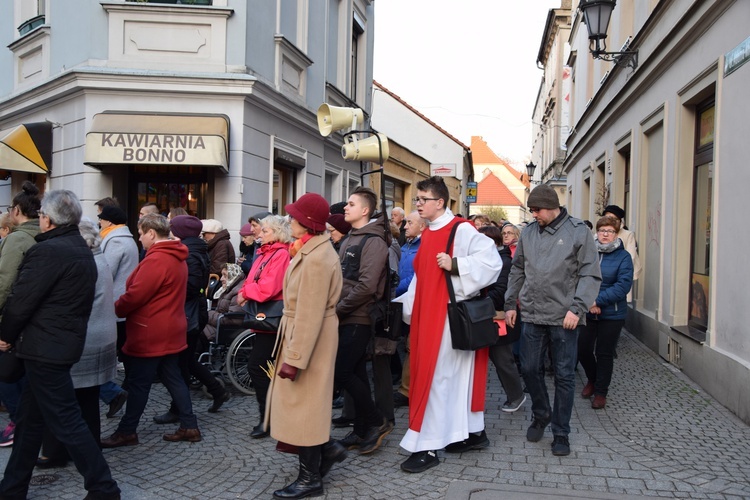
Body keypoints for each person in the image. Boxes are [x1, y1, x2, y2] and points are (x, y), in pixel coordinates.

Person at [0, 190, 120, 500]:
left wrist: (5, 335)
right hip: (58, 345)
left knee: (67, 420)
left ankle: (104, 488)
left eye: (41, 215)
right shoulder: (79, 248)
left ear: (48, 220)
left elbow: (21, 300)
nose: (39, 219)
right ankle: (12, 488)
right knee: (29, 423)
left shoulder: (50, 251)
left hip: (45, 348)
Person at [393, 176, 502, 473]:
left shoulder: (461, 229)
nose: (417, 204)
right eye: (416, 199)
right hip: (430, 317)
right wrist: (404, 307)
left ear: (439, 202)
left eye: (422, 199)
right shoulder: (428, 233)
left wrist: (457, 265)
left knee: (438, 380)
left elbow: (492, 263)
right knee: (447, 380)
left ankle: (426, 445)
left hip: (449, 319)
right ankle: (470, 433)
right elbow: (421, 277)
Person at [505, 184, 601, 457]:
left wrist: (577, 308)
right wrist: (511, 303)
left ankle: (561, 432)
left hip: (565, 318)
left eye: (536, 210)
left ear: (551, 207)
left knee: (564, 376)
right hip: (533, 314)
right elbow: (518, 269)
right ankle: (541, 413)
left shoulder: (578, 231)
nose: (533, 215)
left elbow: (590, 274)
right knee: (530, 368)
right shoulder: (530, 232)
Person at [265, 193, 346, 499]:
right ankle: (326, 449)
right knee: (304, 406)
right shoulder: (310, 250)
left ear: (307, 223)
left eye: (294, 217)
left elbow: (311, 314)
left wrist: (295, 358)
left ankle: (311, 478)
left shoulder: (318, 258)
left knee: (306, 408)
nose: (289, 220)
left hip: (309, 339)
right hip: (304, 335)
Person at [102, 213, 201, 448]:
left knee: (138, 382)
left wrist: (114, 308)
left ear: (151, 233)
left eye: (140, 234)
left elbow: (136, 294)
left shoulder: (158, 259)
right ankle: (189, 425)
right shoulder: (175, 255)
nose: (139, 239)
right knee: (173, 377)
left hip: (152, 330)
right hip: (170, 326)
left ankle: (127, 431)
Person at [37, 220, 119, 469]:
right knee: (87, 398)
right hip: (101, 334)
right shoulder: (98, 257)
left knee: (63, 398)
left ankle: (55, 451)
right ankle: (85, 448)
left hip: (85, 337)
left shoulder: (84, 262)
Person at [152, 215, 230, 426]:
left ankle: (180, 410)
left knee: (178, 364)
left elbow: (191, 286)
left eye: (172, 229)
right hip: (191, 313)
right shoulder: (193, 249)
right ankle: (216, 391)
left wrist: (167, 292)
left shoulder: (190, 253)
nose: (169, 233)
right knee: (184, 361)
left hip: (188, 314)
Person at [334, 187, 393, 455]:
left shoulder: (374, 241)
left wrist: (340, 308)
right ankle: (360, 429)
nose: (345, 208)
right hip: (345, 314)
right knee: (355, 373)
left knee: (341, 372)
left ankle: (375, 420)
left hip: (358, 316)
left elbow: (368, 286)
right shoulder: (351, 238)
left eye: (351, 204)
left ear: (365, 210)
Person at [236, 215, 292, 439]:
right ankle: (269, 417)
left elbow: (269, 288)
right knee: (264, 368)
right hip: (263, 319)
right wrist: (246, 290)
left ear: (277, 232)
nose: (259, 234)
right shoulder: (264, 252)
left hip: (272, 318)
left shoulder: (280, 254)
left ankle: (268, 418)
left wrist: (245, 293)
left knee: (257, 367)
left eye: (265, 230)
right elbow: (251, 280)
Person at [0, 181, 42, 448]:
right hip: (35, 319)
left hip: (14, 317)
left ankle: (19, 423)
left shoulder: (17, 239)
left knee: (6, 374)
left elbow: (5, 282)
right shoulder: (45, 233)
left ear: (16, 210)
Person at [578, 215, 633, 409]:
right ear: (597, 232)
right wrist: (589, 302)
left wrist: (598, 300)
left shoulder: (623, 257)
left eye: (610, 231)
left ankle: (601, 391)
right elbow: (579, 277)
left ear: (616, 234)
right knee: (582, 349)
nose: (605, 234)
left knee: (604, 353)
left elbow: (622, 286)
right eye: (602, 230)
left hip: (612, 314)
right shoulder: (588, 252)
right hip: (588, 310)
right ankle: (592, 379)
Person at [479, 225, 526, 413]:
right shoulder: (492, 259)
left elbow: (500, 293)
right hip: (488, 315)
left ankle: (516, 396)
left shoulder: (504, 262)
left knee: (503, 360)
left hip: (499, 317)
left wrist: (477, 303)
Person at [98, 204, 138, 418]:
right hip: (119, 304)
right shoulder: (123, 239)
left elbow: (105, 272)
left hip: (115, 305)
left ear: (110, 222)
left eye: (102, 219)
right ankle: (118, 391)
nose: (100, 223)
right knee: (123, 350)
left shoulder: (115, 241)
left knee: (120, 351)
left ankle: (119, 391)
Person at [392, 211, 427, 408]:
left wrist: (394, 288)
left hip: (410, 298)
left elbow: (414, 275)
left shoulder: (424, 246)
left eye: (409, 223)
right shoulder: (407, 243)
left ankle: (408, 390)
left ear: (422, 226)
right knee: (406, 345)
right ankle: (406, 386)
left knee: (412, 346)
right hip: (403, 298)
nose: (405, 226)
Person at [602, 205, 642, 297]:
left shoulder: (627, 235)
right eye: (607, 217)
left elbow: (630, 256)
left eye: (613, 218)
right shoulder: (599, 234)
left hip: (620, 274)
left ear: (619, 221)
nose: (610, 221)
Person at [203, 263, 246, 343]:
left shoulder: (238, 292)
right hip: (220, 325)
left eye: (225, 275)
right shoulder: (229, 289)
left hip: (227, 330)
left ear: (233, 276)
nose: (221, 279)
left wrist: (208, 315)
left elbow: (233, 320)